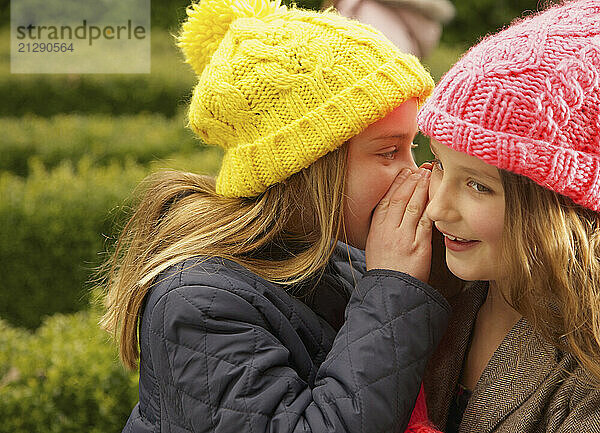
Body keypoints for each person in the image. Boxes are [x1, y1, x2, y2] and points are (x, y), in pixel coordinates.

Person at [100, 0, 451, 431]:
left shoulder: (332, 254)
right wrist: (392, 290)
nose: (413, 176)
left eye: (411, 148)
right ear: (306, 167)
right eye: (388, 151)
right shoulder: (199, 304)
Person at [415, 0, 600, 431]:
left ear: (565, 206)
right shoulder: (432, 286)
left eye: (478, 185)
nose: (437, 208)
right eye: (439, 164)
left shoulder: (587, 367)